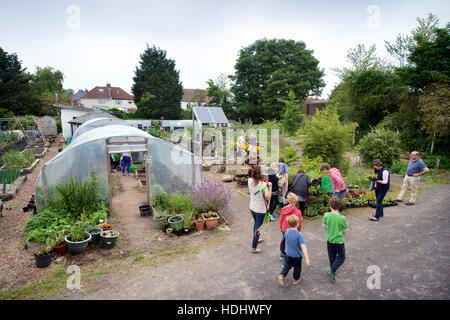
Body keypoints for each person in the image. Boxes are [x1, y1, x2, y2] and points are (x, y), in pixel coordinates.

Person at [278, 214, 311, 286]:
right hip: (297, 256)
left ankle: (282, 275)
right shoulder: (299, 235)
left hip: (288, 254)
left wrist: (286, 249)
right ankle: (296, 279)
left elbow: (286, 241)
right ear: (298, 224)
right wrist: (307, 259)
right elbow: (303, 247)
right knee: (297, 268)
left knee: (287, 265)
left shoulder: (287, 231)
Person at [323, 196, 348, 281]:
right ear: (339, 206)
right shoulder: (342, 218)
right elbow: (345, 227)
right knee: (342, 257)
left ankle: (332, 270)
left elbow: (324, 226)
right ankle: (332, 270)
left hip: (329, 239)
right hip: (338, 240)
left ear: (330, 205)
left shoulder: (326, 215)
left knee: (332, 255)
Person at [248, 165, 271, 254]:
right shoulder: (263, 185)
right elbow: (268, 197)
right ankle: (254, 248)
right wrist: (270, 187)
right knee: (258, 228)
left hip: (252, 207)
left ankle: (256, 239)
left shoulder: (250, 181)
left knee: (256, 224)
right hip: (260, 210)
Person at [279, 193, 303, 264]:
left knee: (284, 241)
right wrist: (298, 230)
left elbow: (281, 219)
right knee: (290, 246)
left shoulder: (284, 209)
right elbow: (299, 223)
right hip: (293, 230)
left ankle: (282, 253)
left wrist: (281, 227)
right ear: (296, 201)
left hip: (284, 229)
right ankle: (285, 262)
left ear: (288, 201)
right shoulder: (298, 212)